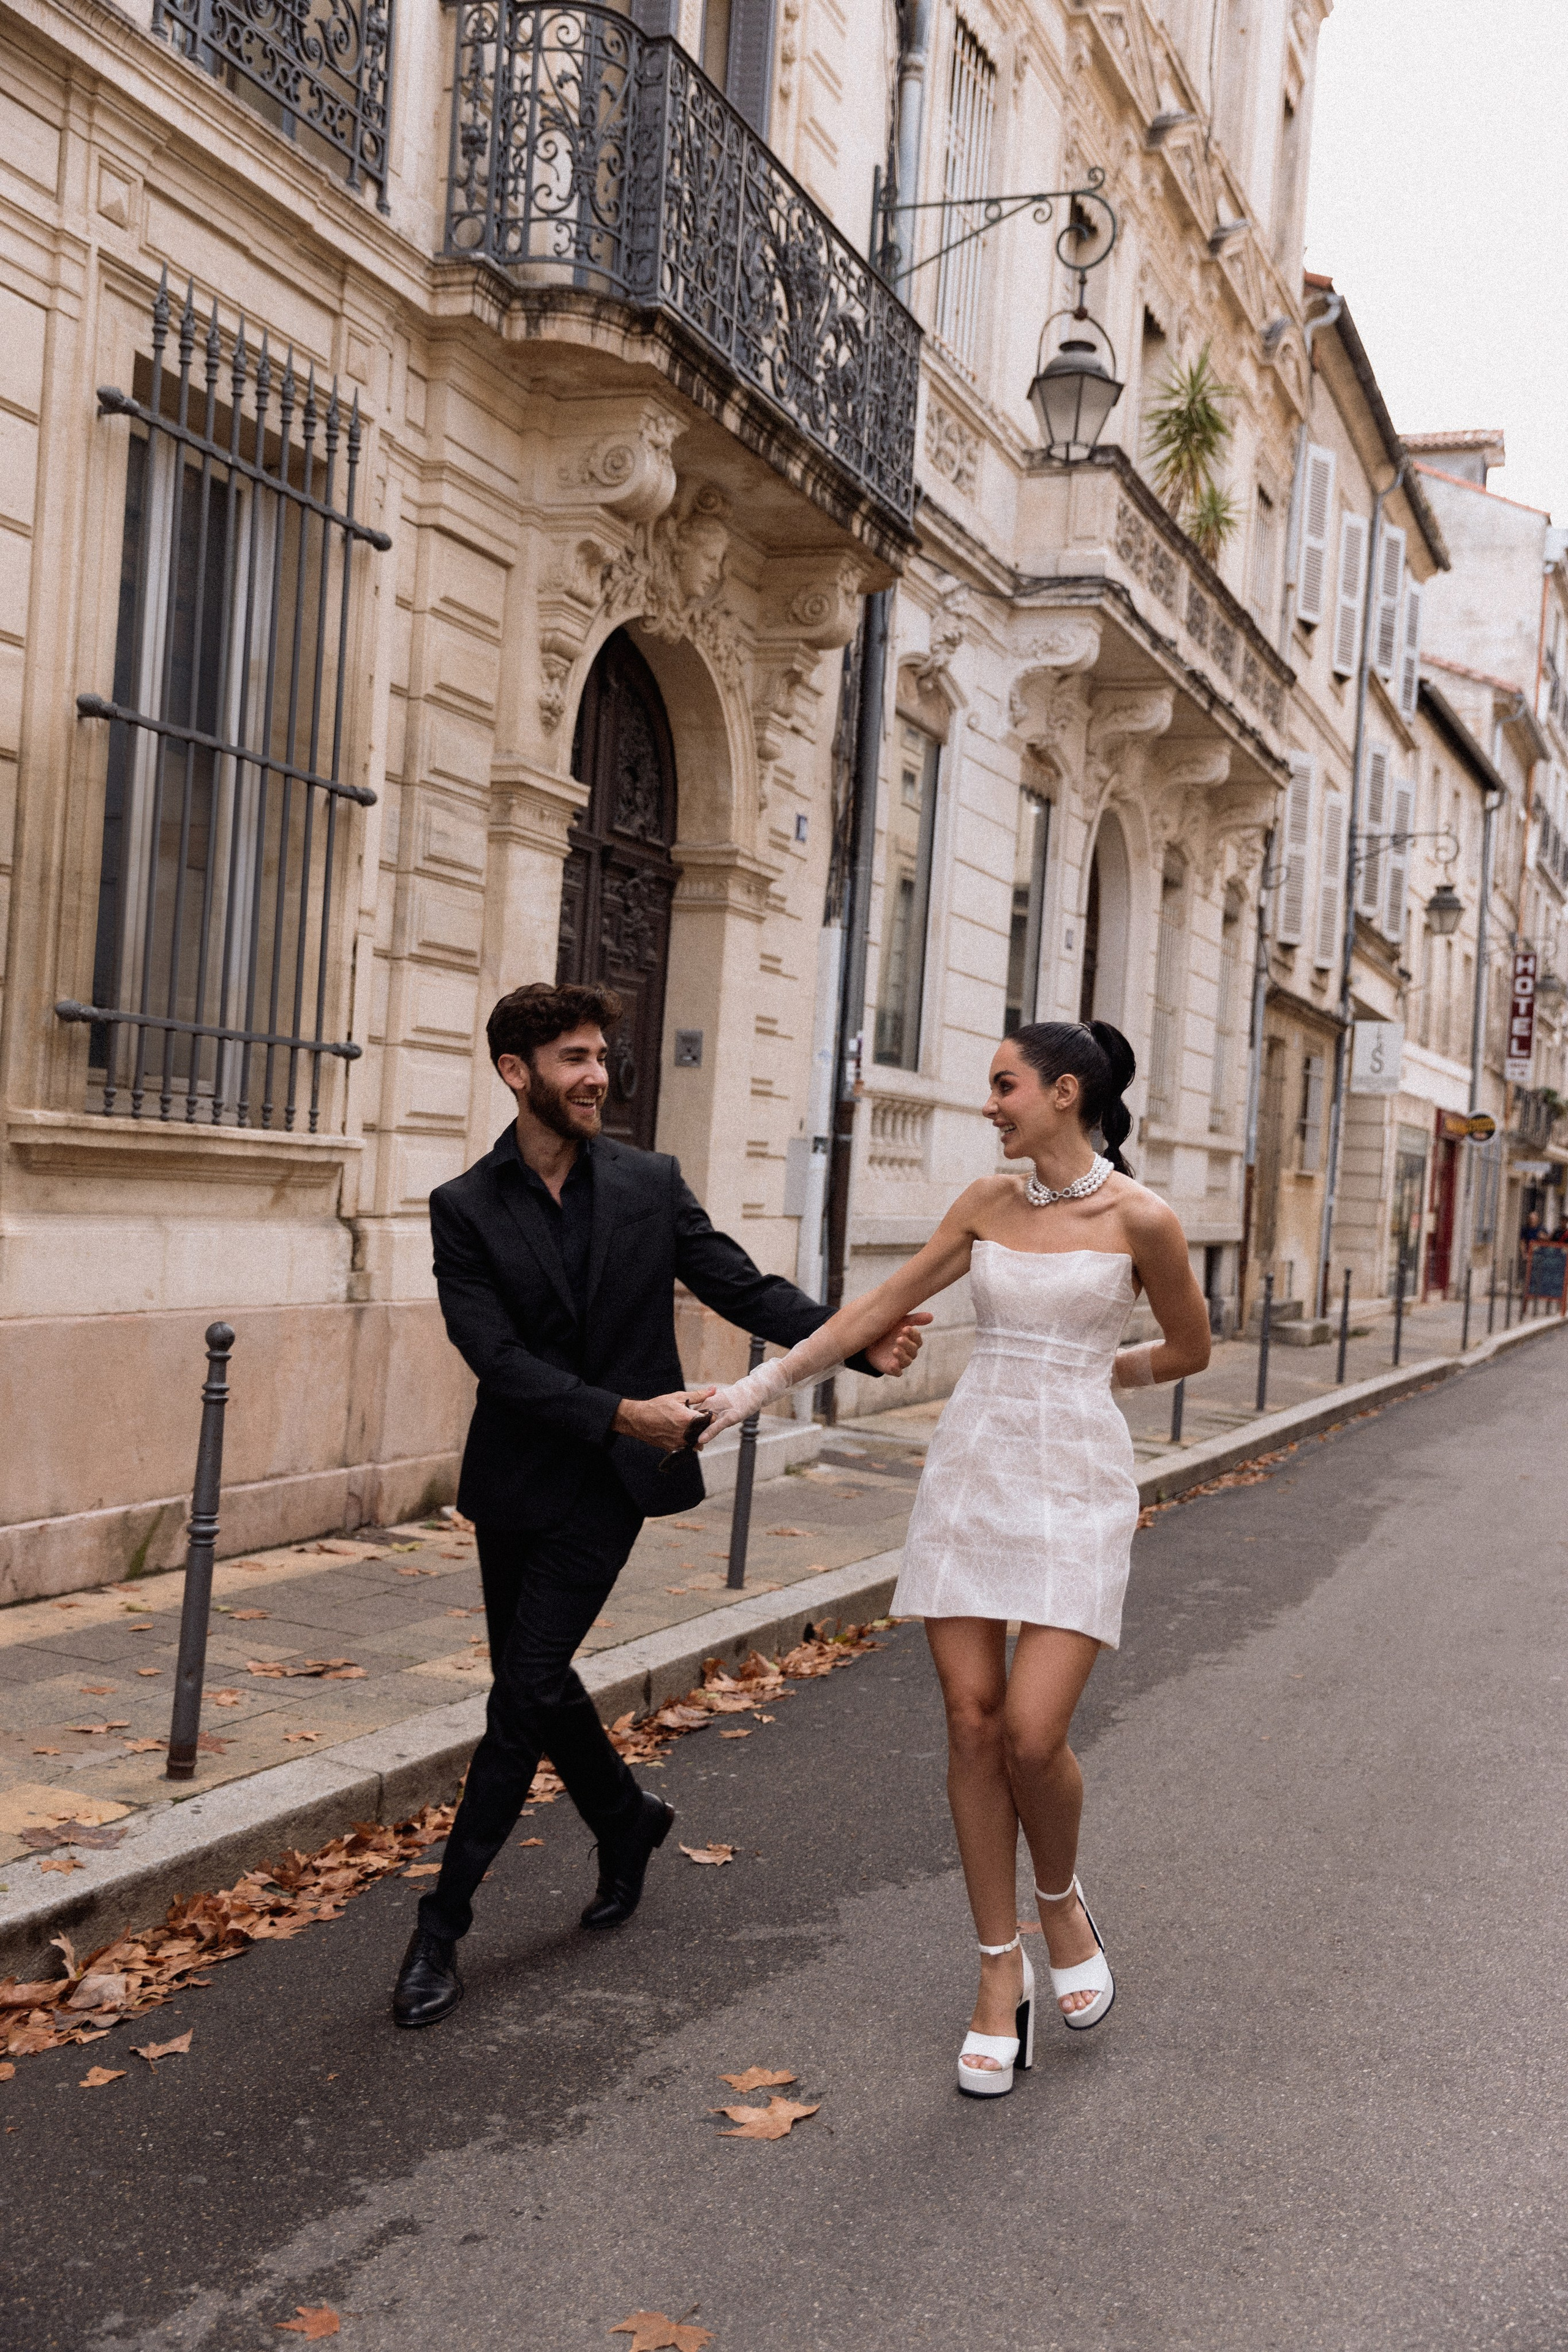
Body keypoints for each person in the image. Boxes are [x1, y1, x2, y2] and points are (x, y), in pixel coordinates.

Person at [391, 980, 927, 2029]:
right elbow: (494, 1358)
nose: (598, 1076)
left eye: (602, 1056)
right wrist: (620, 1411)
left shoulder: (648, 1182)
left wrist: (856, 1342)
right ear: (516, 1073)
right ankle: (625, 1817)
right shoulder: (465, 1206)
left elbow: (742, 1286)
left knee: (519, 1697)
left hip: (612, 1484)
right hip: (520, 1476)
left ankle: (439, 1928)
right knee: (537, 1683)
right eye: (575, 1059)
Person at [698, 1020, 1212, 2097]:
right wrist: (753, 1393)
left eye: (1003, 1085)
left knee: (1032, 1733)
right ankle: (997, 1970)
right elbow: (874, 1309)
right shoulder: (985, 1203)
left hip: (1077, 1484)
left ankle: (1061, 1901)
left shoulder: (1145, 1220)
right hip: (974, 1469)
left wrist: (1092, 1377)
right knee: (972, 1722)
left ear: (1064, 1092)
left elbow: (1189, 1348)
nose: (988, 1104)